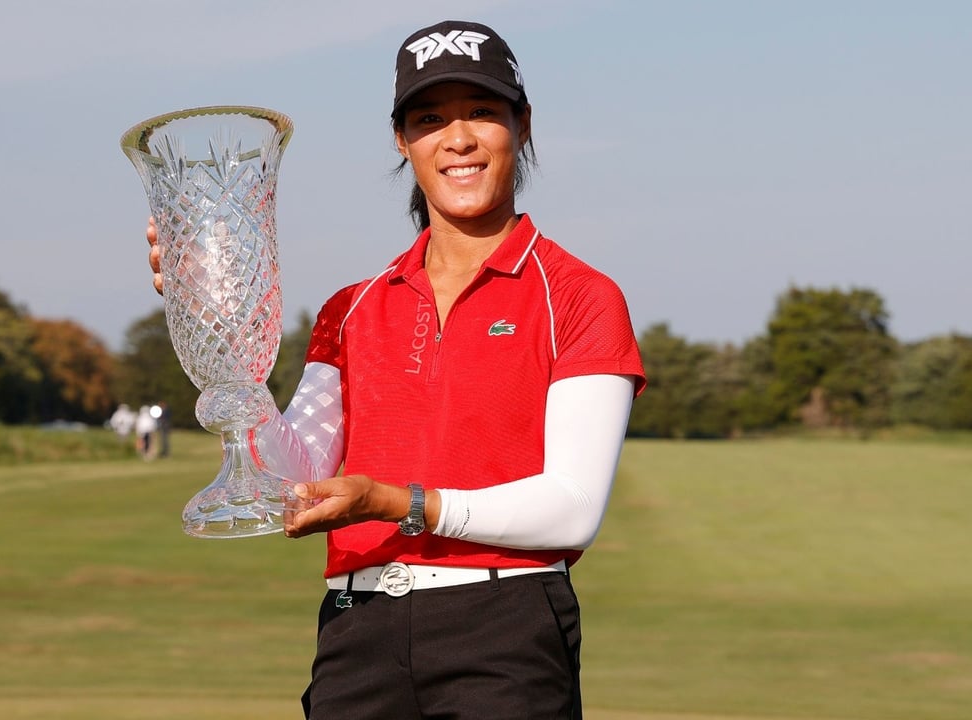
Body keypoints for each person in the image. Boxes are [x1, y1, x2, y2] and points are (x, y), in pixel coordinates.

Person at [146, 20, 644, 719]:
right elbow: (296, 480)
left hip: (503, 630)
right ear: (402, 140)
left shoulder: (580, 295)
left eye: (483, 112)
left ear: (523, 125)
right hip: (358, 631)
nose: (459, 138)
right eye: (430, 119)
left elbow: (571, 508)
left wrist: (397, 503)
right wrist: (223, 329)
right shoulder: (351, 309)